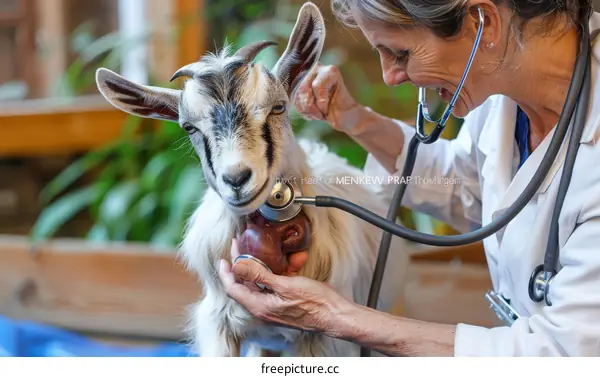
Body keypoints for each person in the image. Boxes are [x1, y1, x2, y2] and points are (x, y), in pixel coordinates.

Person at [218, 0, 600, 356]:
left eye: (401, 53)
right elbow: (467, 187)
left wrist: (334, 316)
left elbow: (562, 352)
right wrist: (355, 119)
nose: (389, 77)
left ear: (484, 23)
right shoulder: (505, 89)